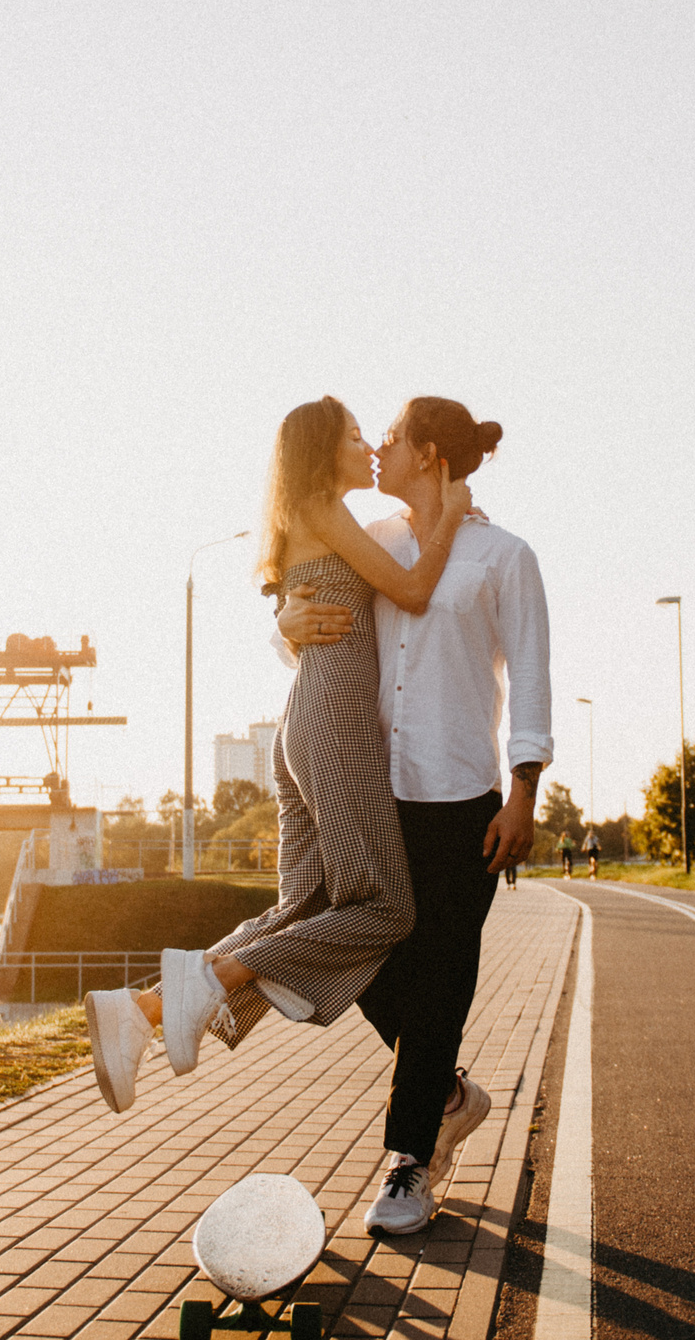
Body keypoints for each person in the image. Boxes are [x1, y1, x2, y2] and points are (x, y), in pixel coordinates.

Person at [83, 397, 469, 1114]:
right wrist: (452, 512)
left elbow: (319, 602)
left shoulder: (312, 513)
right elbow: (413, 591)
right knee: (386, 909)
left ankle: (139, 1013)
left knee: (307, 905)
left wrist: (286, 619)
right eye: (356, 436)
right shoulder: (323, 504)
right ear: (324, 452)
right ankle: (209, 984)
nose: (368, 446)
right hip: (333, 722)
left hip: (308, 719)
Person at [277, 396, 550, 1236]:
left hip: (463, 797)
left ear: (429, 453)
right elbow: (317, 630)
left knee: (440, 979)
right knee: (361, 948)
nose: (379, 448)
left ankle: (408, 1164)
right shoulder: (379, 547)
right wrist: (284, 620)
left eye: (391, 437)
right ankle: (450, 1095)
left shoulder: (503, 555)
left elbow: (533, 673)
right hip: (373, 787)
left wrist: (523, 789)